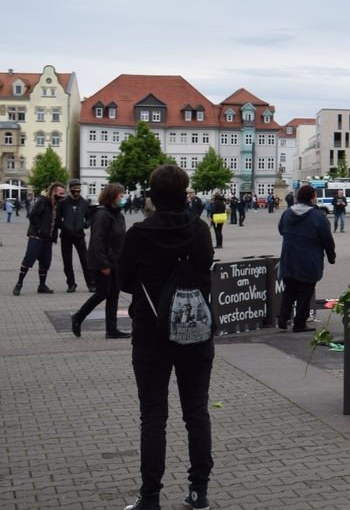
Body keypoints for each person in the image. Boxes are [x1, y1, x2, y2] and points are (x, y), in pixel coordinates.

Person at [116, 164, 215, 510]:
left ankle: (150, 497)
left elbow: (124, 280)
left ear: (152, 196)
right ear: (185, 193)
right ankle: (198, 491)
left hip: (151, 333)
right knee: (197, 412)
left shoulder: (139, 234)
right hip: (196, 332)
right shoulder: (201, 230)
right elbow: (205, 270)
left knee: (154, 416)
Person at [71, 183, 130, 339]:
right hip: (102, 263)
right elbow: (97, 240)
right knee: (102, 293)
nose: (122, 198)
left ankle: (112, 330)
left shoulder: (118, 215)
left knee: (113, 295)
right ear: (112, 196)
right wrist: (104, 263)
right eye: (120, 195)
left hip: (115, 262)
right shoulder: (102, 214)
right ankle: (78, 317)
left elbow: (120, 239)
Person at [277, 184, 336, 333]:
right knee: (305, 292)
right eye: (315, 195)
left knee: (289, 289)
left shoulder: (287, 213)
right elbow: (327, 239)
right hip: (308, 260)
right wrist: (331, 256)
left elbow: (281, 230)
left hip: (289, 257)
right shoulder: (317, 216)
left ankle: (282, 319)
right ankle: (299, 323)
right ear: (311, 197)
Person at [13, 182, 66, 296]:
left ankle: (42, 286)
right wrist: (40, 228)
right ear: (53, 192)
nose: (63, 196)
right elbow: (33, 216)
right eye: (61, 193)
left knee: (45, 263)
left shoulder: (57, 205)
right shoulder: (42, 202)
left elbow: (57, 222)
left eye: (64, 193)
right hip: (36, 237)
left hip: (48, 239)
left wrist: (69, 227)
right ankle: (19, 284)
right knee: (28, 261)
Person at [57, 178, 95, 293]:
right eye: (74, 189)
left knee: (85, 260)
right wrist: (64, 227)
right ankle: (71, 284)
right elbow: (58, 219)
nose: (76, 191)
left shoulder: (84, 203)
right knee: (67, 261)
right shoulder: (63, 203)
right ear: (70, 189)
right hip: (66, 236)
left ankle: (91, 283)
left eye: (78, 188)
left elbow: (89, 218)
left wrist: (85, 225)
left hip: (79, 235)